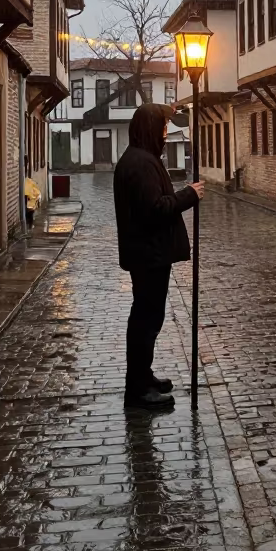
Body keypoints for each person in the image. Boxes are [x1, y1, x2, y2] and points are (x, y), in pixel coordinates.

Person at [114, 103, 204, 408]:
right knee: (146, 319)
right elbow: (154, 209)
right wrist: (189, 195)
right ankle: (137, 389)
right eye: (162, 127)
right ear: (150, 129)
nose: (165, 133)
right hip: (148, 253)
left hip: (148, 253)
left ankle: (143, 375)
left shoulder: (141, 158)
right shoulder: (140, 164)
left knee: (149, 317)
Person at [24, 161, 41, 229]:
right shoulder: (28, 182)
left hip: (29, 202)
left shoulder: (29, 182)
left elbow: (37, 193)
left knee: (29, 214)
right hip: (30, 203)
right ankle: (29, 226)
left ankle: (29, 226)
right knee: (30, 215)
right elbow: (37, 193)